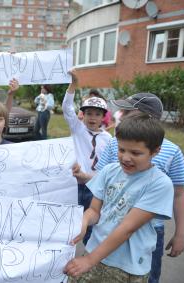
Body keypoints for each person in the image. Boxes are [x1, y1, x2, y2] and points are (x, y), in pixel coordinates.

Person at [64, 112, 174, 282]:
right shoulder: (109, 171)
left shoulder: (160, 184)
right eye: (121, 149)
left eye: (136, 153)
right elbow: (94, 210)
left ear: (155, 151)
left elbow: (127, 228)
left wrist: (89, 260)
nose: (126, 157)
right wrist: (84, 221)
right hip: (94, 251)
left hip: (126, 267)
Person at [95, 93, 184, 283]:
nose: (121, 115)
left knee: (147, 276)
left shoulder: (172, 151)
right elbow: (101, 179)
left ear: (147, 117)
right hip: (108, 225)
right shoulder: (116, 143)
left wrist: (180, 234)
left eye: (127, 111)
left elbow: (179, 194)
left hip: (148, 233)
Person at [62, 71, 112, 244]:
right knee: (70, 224)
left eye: (97, 114)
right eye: (89, 113)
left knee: (91, 225)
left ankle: (89, 256)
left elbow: (108, 169)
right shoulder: (78, 129)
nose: (93, 117)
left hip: (94, 189)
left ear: (103, 117)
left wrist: (90, 178)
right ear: (83, 114)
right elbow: (67, 108)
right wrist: (73, 85)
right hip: (74, 186)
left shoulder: (108, 140)